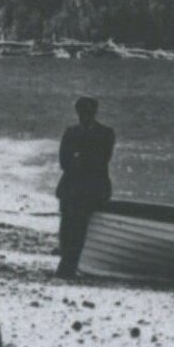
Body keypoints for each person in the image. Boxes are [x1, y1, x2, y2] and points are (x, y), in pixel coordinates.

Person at [55, 96, 116, 277]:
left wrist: (78, 158)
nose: (85, 116)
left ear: (93, 113)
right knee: (67, 229)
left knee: (79, 228)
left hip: (90, 188)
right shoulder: (73, 132)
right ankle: (67, 264)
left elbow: (101, 160)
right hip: (75, 187)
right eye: (82, 113)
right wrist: (81, 159)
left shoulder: (105, 133)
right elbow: (64, 161)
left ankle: (69, 267)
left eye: (87, 113)